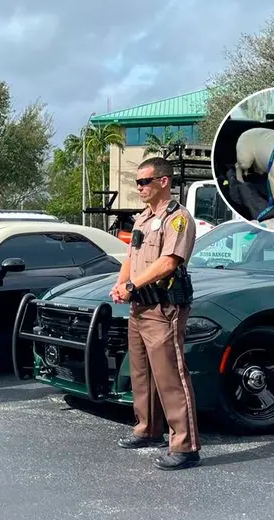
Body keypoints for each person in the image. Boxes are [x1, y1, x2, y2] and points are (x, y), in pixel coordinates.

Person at [109, 156, 201, 471]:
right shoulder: (142, 219)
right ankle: (147, 429)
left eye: (145, 181)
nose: (140, 187)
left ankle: (185, 446)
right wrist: (121, 284)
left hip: (164, 306)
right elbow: (131, 256)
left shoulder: (178, 218)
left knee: (171, 375)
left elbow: (168, 263)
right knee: (142, 373)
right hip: (139, 305)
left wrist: (132, 285)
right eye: (137, 182)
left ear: (164, 181)